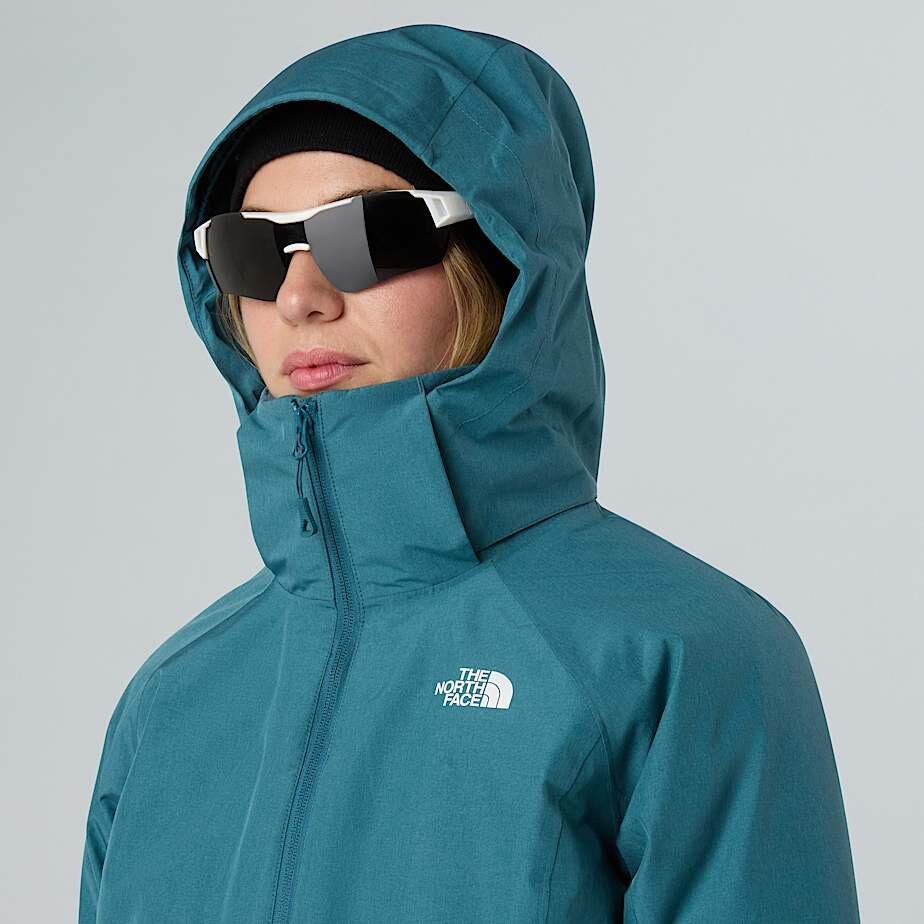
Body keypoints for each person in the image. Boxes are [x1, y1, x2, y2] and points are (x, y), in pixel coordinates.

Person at [78, 23, 861, 923]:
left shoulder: (683, 657)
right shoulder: (171, 700)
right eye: (251, 252)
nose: (299, 297)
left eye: (365, 234)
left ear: (502, 258)